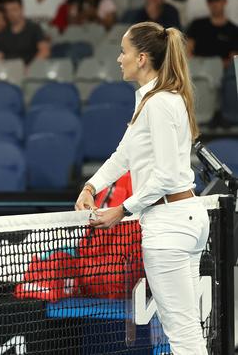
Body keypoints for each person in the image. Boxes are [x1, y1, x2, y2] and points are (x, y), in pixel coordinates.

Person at [76, 21, 209, 354]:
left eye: (124, 52)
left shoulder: (161, 103)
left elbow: (163, 176)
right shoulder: (151, 100)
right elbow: (124, 155)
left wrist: (120, 210)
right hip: (180, 222)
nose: (119, 59)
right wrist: (91, 186)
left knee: (182, 335)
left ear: (143, 58)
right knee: (189, 331)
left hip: (170, 227)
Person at [186, 0, 238, 67]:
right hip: (196, 68)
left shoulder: (234, 30)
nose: (214, 4)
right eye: (210, 1)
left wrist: (214, 65)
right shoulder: (197, 24)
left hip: (222, 72)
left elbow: (233, 60)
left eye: (217, 0)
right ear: (207, 3)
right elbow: (187, 50)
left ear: (225, 1)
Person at [0, 0, 50, 64]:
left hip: (30, 69)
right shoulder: (2, 32)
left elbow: (44, 51)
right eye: (7, 11)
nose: (10, 14)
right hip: (9, 70)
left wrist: (31, 67)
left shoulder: (34, 28)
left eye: (14, 10)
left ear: (22, 9)